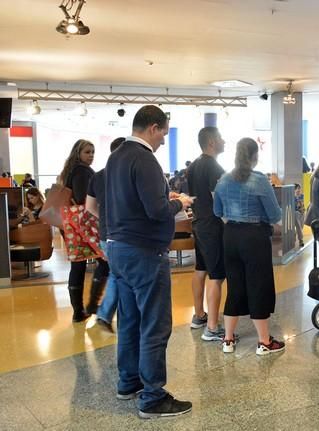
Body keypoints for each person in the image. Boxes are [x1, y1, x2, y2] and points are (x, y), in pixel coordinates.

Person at [105, 105, 193, 418]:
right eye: (164, 134)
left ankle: (128, 382)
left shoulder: (116, 157)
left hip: (118, 247)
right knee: (155, 324)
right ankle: (153, 397)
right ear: (153, 127)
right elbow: (156, 210)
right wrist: (177, 202)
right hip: (144, 251)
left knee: (129, 321)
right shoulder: (144, 159)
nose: (163, 141)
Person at [213, 138, 284, 356]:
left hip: (230, 237)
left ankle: (228, 339)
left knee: (235, 286)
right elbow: (275, 215)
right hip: (254, 237)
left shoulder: (223, 180)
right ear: (254, 156)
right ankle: (264, 342)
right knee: (258, 286)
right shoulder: (259, 180)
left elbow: (217, 211)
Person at [58, 139, 110, 323]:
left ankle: (78, 311)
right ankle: (92, 305)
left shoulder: (69, 171)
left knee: (78, 264)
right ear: (78, 153)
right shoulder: (82, 171)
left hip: (71, 223)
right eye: (87, 152)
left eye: (93, 152)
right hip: (84, 222)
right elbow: (82, 199)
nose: (91, 156)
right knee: (104, 261)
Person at [186, 127, 228, 342]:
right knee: (217, 275)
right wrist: (229, 225)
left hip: (199, 223)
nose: (224, 141)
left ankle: (199, 315)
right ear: (212, 142)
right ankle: (212, 328)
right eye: (221, 137)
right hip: (213, 226)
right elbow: (218, 202)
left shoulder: (193, 165)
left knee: (201, 268)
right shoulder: (214, 167)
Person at [85, 137, 126, 333]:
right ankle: (105, 313)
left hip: (105, 233)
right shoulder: (127, 173)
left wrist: (105, 217)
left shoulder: (98, 176)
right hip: (125, 233)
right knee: (119, 275)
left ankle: (107, 313)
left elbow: (89, 207)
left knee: (117, 273)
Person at [294, 183, 305, 248]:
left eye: (299, 188)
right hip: (296, 213)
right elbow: (295, 206)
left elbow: (302, 204)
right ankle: (301, 240)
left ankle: (295, 235)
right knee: (298, 226)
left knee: (301, 226)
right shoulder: (292, 197)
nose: (299, 190)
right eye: (297, 188)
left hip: (302, 212)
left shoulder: (302, 195)